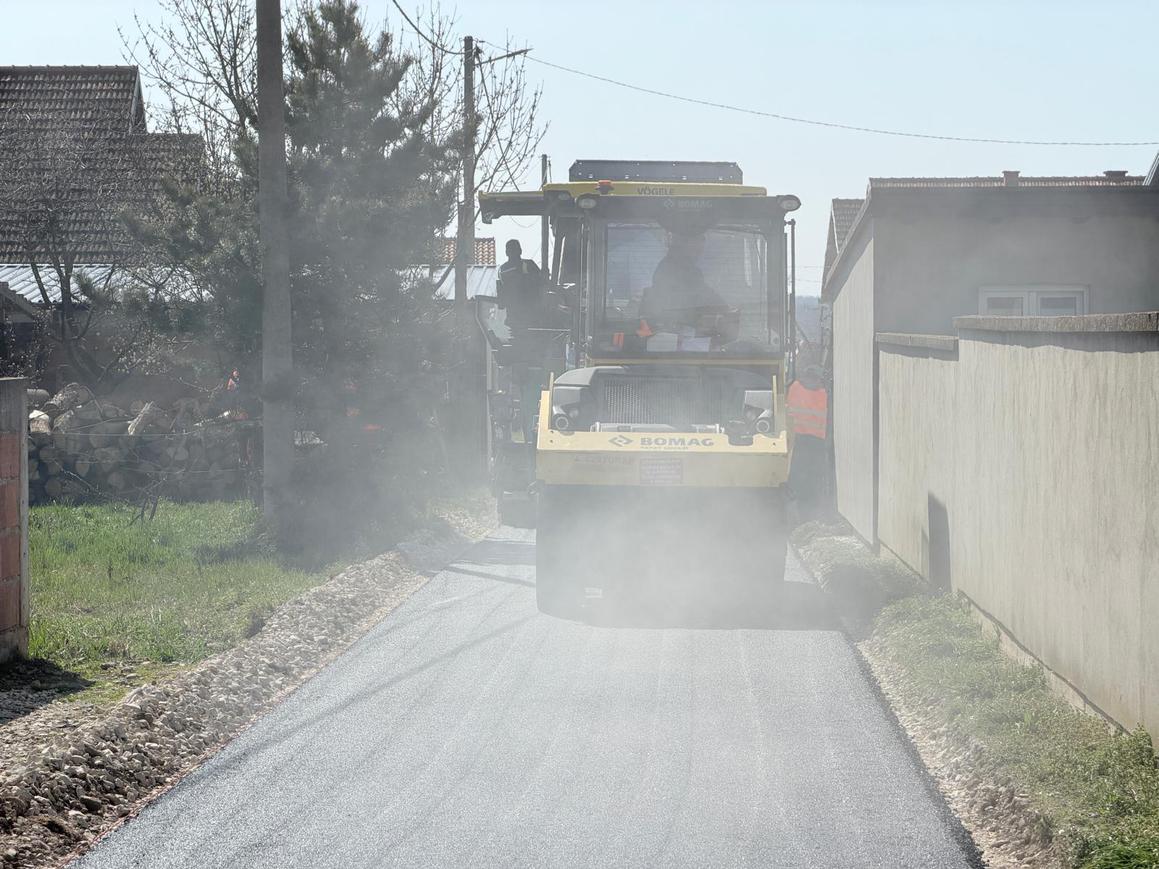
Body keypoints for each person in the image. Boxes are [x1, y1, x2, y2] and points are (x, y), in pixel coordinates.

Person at [640, 232, 728, 328]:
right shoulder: (676, 268)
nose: (699, 253)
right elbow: (701, 296)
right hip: (672, 328)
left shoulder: (686, 267)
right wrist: (722, 309)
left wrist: (722, 308)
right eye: (696, 249)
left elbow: (706, 295)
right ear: (684, 244)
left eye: (700, 250)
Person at [786, 363, 830, 517]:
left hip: (798, 438)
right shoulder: (824, 393)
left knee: (797, 474)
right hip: (817, 441)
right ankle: (810, 509)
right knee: (813, 477)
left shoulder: (795, 387)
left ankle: (796, 506)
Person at [498, 239, 544, 330]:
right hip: (525, 317)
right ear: (520, 251)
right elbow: (542, 283)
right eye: (511, 250)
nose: (513, 253)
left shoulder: (503, 269)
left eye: (513, 250)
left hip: (520, 317)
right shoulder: (528, 264)